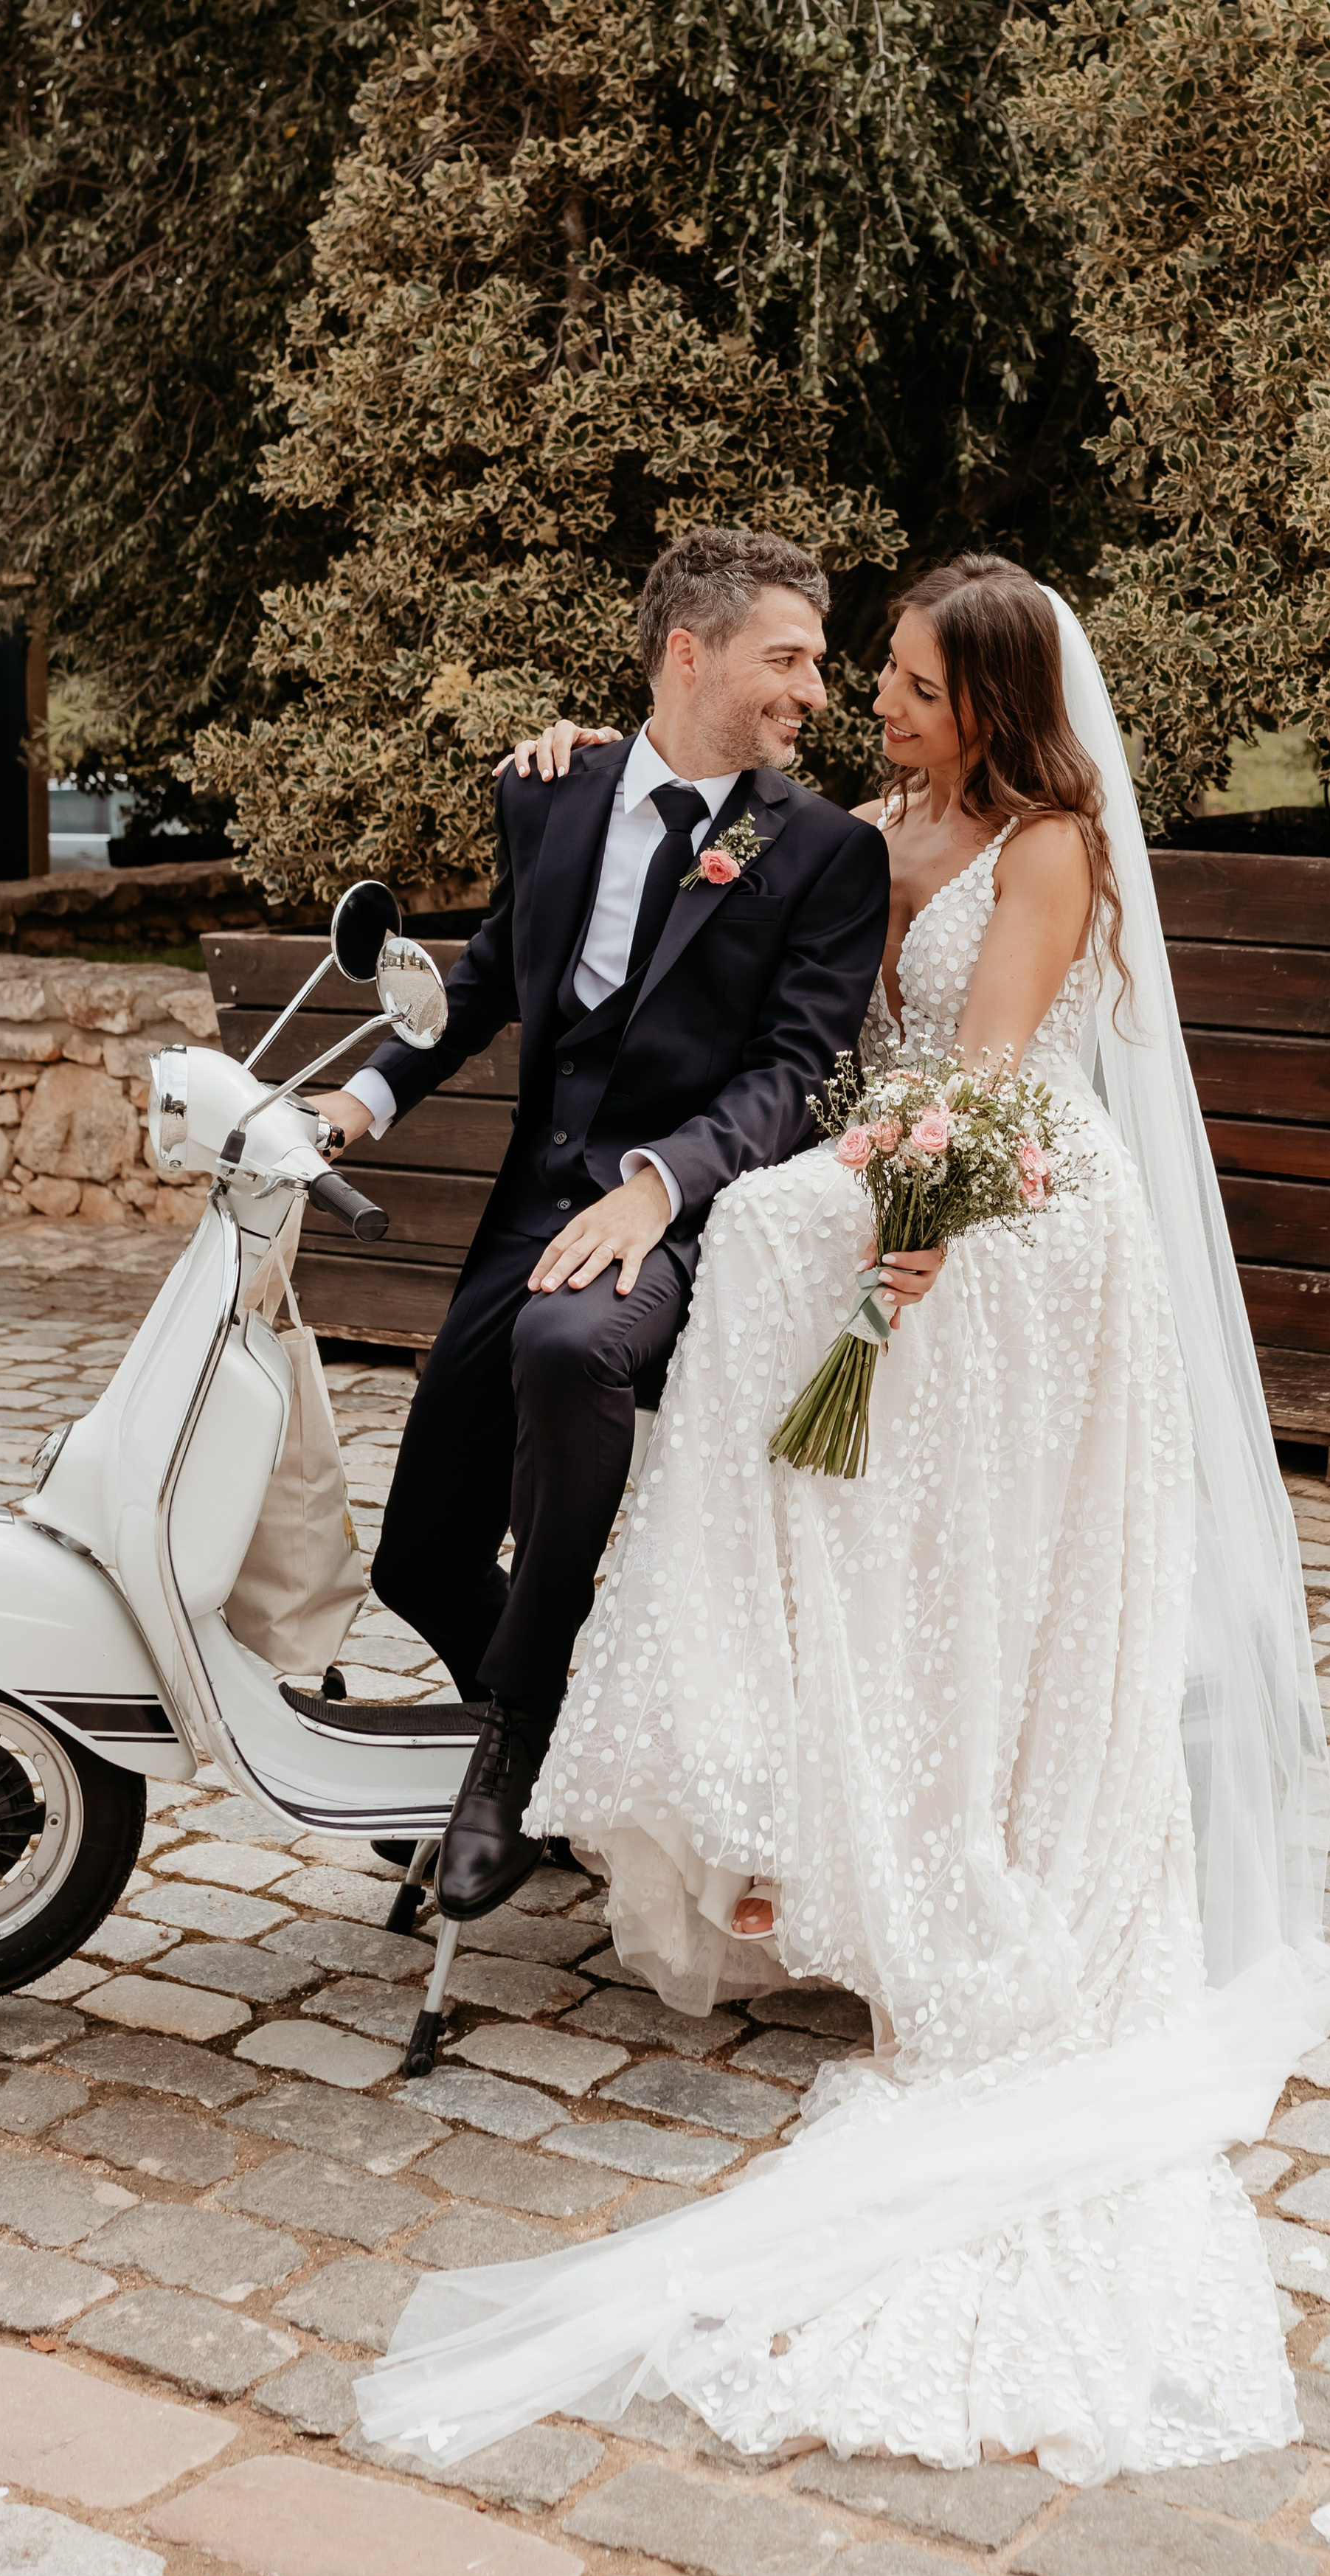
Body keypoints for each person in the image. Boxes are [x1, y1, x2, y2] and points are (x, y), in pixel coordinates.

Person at [353, 555, 1330, 2485]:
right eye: (856, 675)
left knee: (775, 1252)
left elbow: (978, 1085)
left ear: (981, 699)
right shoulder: (854, 827)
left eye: (901, 682)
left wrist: (866, 1218)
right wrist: (577, 760)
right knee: (770, 1273)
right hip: (880, 1178)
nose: (871, 705)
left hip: (1002, 1209)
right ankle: (740, 1764)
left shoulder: (1052, 847)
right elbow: (721, 867)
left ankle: (781, 1787)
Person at [316, 527, 889, 1921]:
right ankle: (571, 1727)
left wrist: (661, 1182)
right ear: (688, 654)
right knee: (415, 1557)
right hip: (531, 1205)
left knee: (574, 1353)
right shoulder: (554, 794)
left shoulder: (814, 850)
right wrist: (370, 1092)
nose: (817, 688)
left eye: (818, 660)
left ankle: (509, 1753)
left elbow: (800, 1073)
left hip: (688, 1215)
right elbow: (492, 973)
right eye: (788, 657)